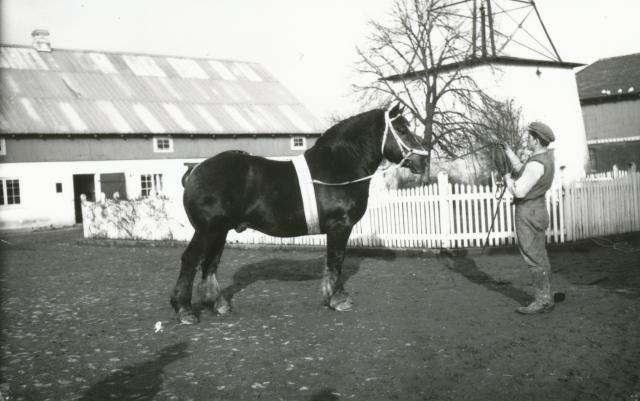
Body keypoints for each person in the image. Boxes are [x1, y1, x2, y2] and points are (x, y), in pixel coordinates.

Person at [502, 122, 556, 314]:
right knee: (540, 253)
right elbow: (524, 170)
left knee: (532, 256)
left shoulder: (535, 164)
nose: (527, 139)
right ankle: (547, 294)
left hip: (528, 212)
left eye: (529, 137)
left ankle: (542, 301)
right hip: (539, 209)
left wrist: (508, 179)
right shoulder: (544, 158)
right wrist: (508, 151)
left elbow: (519, 191)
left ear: (536, 139)